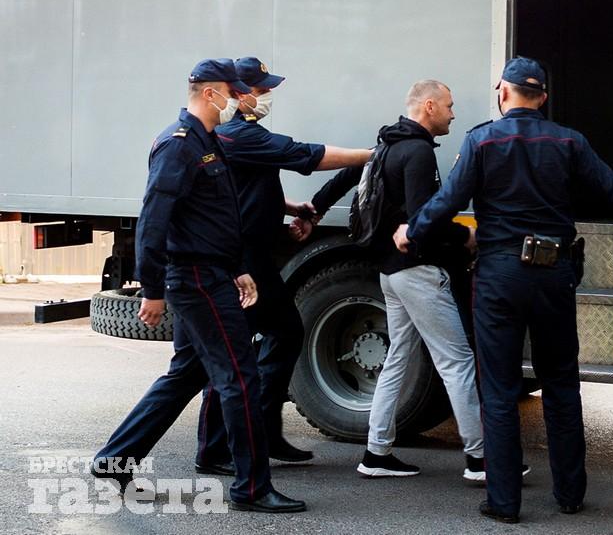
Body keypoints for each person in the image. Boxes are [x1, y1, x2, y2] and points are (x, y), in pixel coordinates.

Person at [394, 57, 613, 523]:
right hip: (554, 275)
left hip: (499, 277)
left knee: (499, 389)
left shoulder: (481, 140)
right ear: (543, 98)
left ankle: (504, 502)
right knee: (560, 383)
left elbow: (447, 201)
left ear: (504, 92)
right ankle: (570, 494)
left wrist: (412, 232)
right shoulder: (569, 141)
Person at [90, 58, 306, 513]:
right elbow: (154, 220)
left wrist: (237, 267)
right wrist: (152, 289)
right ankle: (251, 488)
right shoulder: (178, 145)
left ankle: (114, 460)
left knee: (188, 373)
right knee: (240, 377)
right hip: (195, 278)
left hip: (213, 272)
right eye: (235, 91)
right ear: (210, 93)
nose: (242, 99)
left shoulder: (208, 141)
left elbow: (217, 216)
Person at [193, 57, 372, 474]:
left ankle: (263, 432)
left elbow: (247, 187)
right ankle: (216, 450)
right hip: (239, 260)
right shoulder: (240, 134)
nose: (268, 95)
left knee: (283, 333)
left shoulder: (240, 135)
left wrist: (292, 207)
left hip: (255, 255)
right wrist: (370, 154)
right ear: (239, 93)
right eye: (261, 89)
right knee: (234, 351)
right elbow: (305, 155)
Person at [306, 80, 491, 482]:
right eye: (449, 106)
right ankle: (481, 460)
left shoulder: (387, 144)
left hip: (390, 274)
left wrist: (313, 209)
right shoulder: (418, 151)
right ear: (429, 106)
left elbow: (345, 178)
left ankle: (377, 453)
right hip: (418, 272)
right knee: (457, 361)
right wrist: (465, 235)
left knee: (397, 360)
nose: (453, 114)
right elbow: (425, 219)